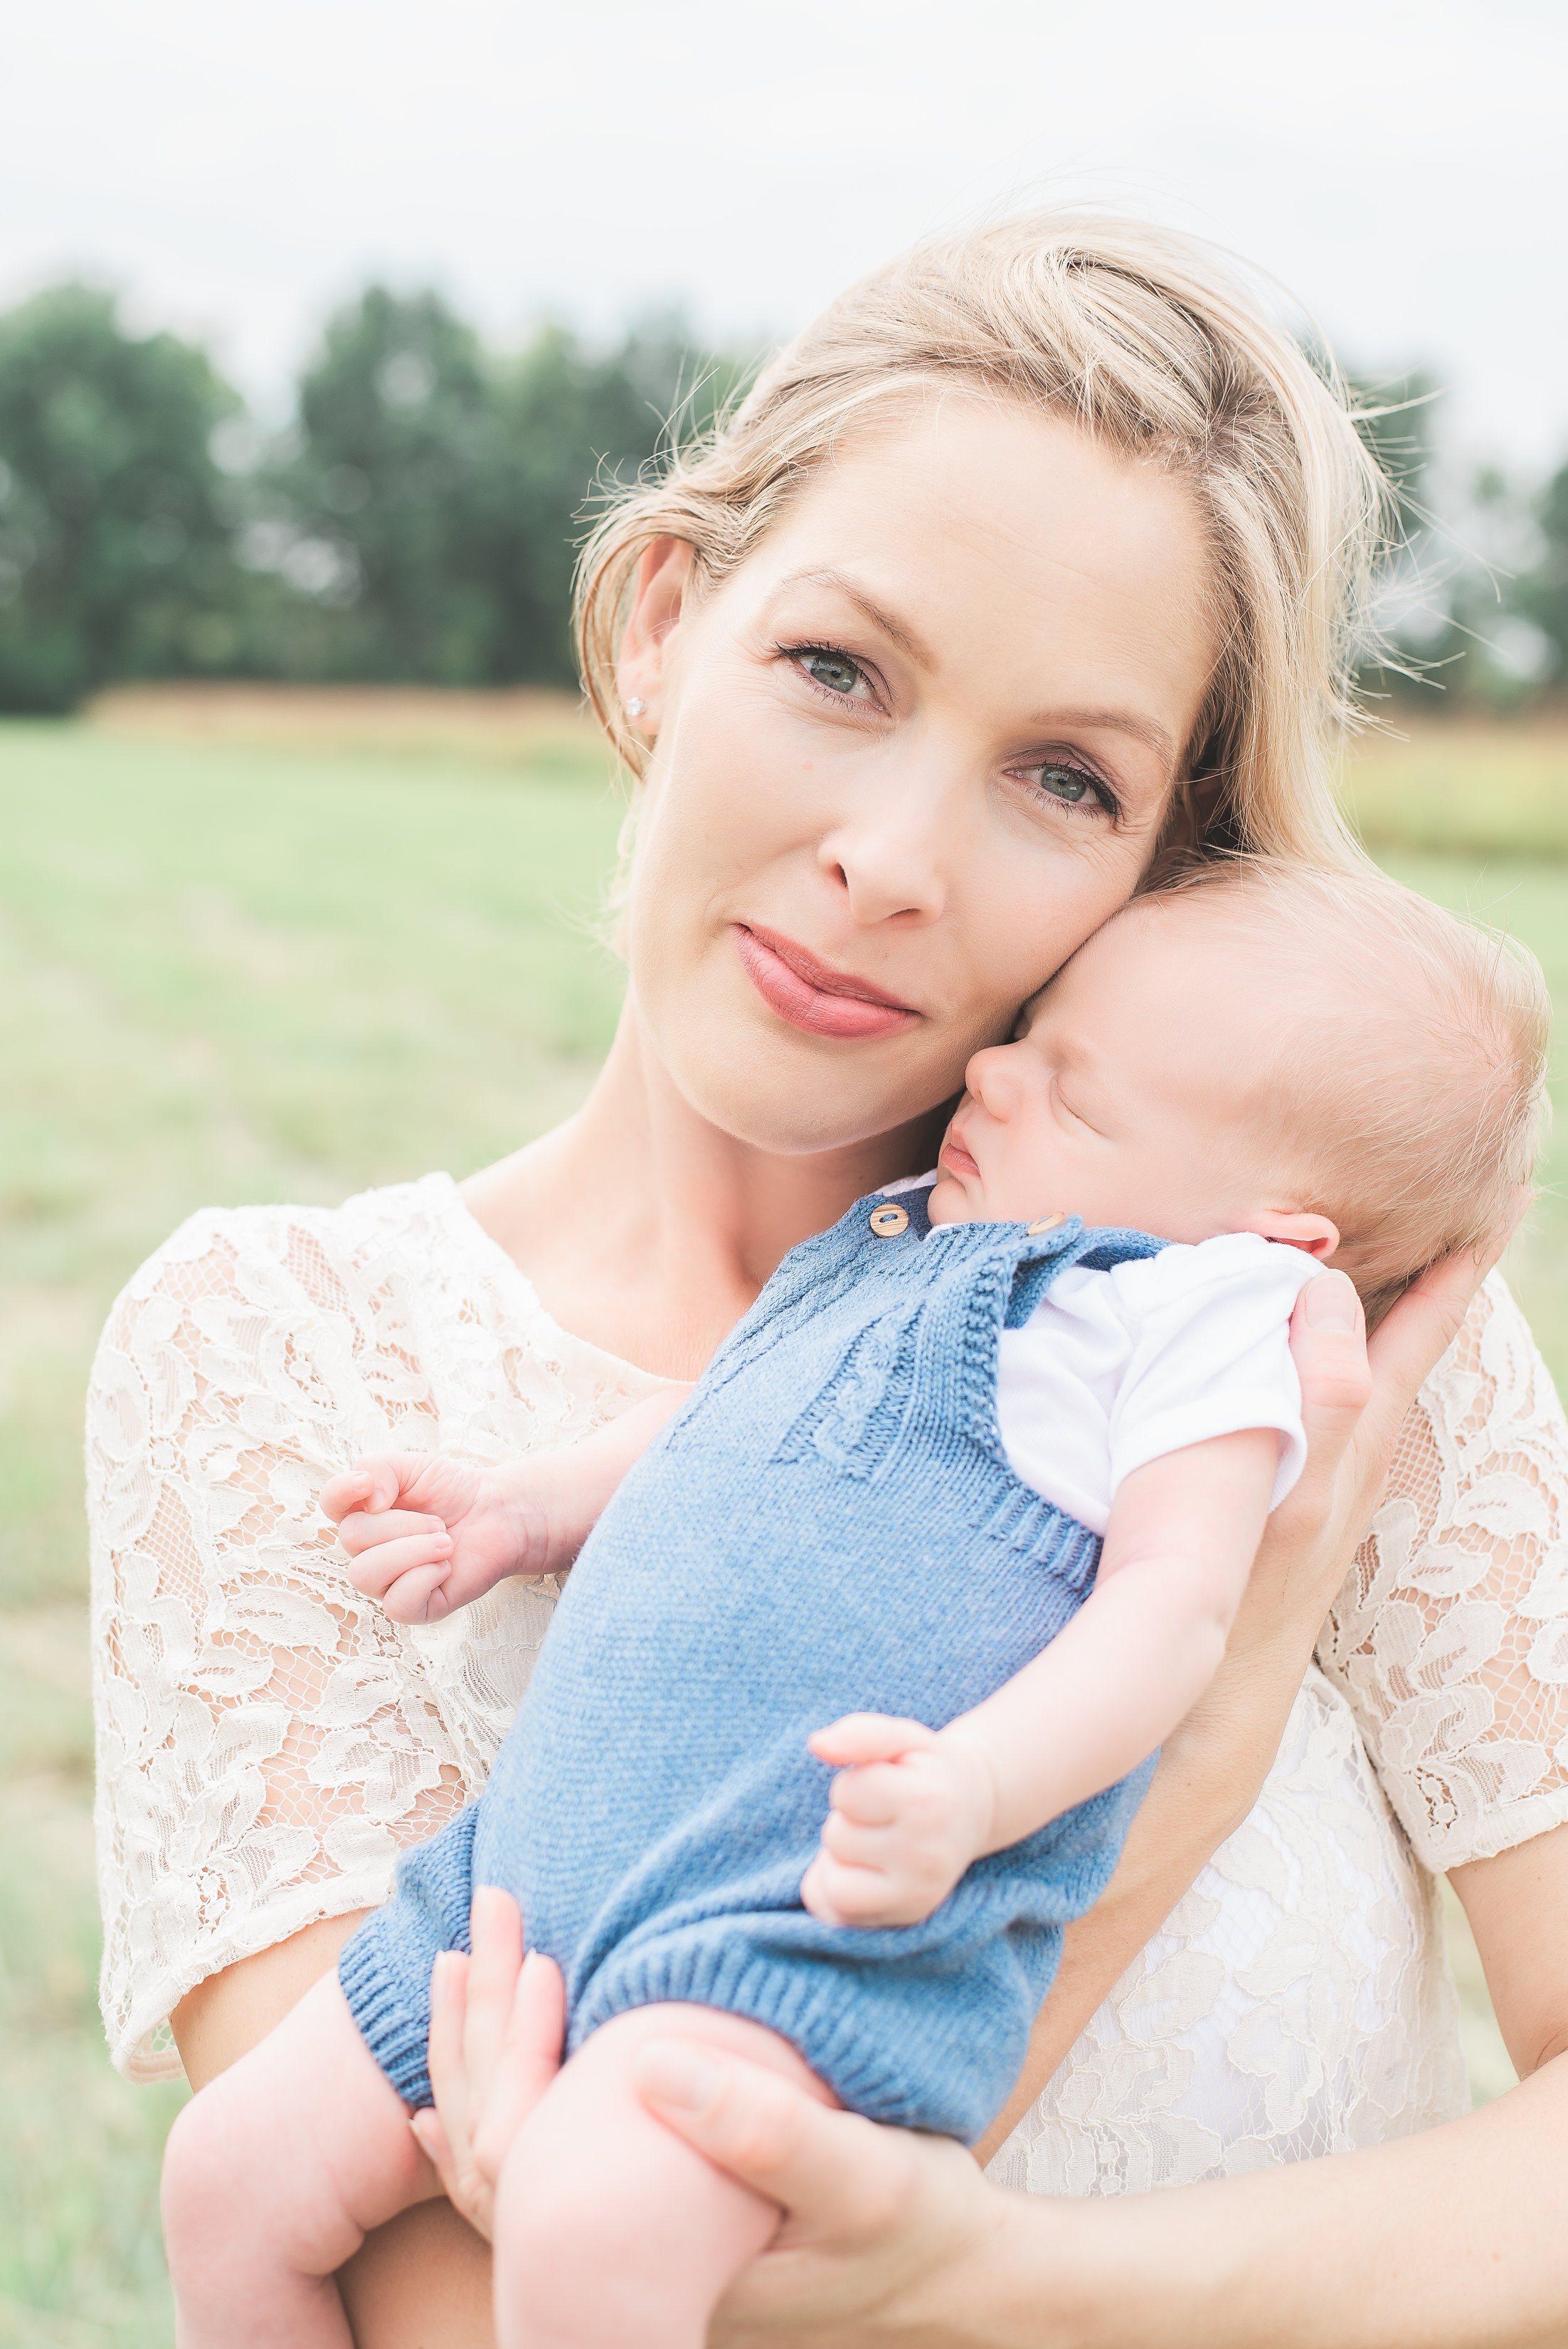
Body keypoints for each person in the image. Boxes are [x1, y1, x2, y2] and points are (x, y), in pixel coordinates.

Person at [87, 213, 1568, 2348]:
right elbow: (427, 2306)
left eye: (1067, 777)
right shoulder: (279, 1359)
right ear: (669, 620)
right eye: (838, 669)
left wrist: (1026, 2287)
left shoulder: (1328, 1347)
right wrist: (1203, 1735)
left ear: (1165, 864)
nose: (894, 853)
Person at [158, 861, 1547, 2348]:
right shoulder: (902, 1240)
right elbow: (724, 1422)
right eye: (1034, 1036)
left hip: (779, 1931)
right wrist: (524, 1507)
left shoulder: (1185, 1323)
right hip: (516, 1881)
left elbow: (1173, 1610)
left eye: (1075, 1094)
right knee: (224, 2177)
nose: (994, 1073)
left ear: (1275, 1243)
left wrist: (976, 1782)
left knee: (593, 2218)